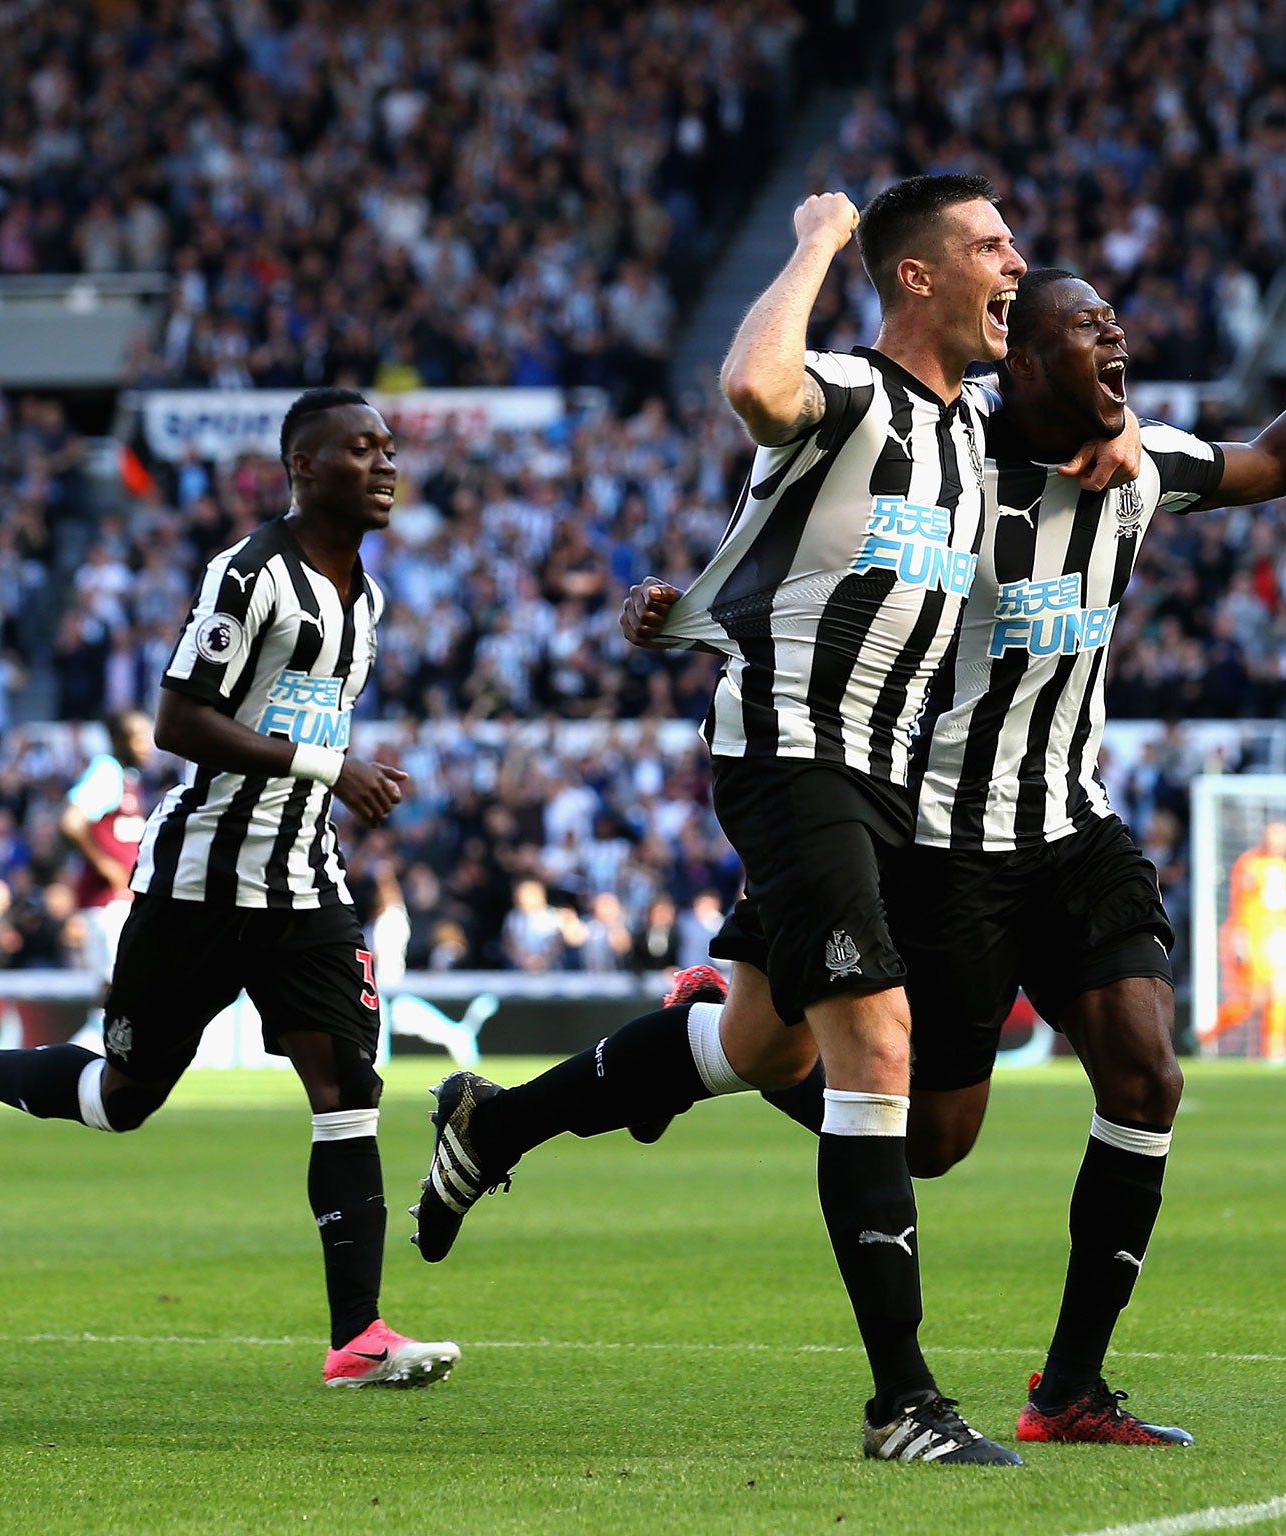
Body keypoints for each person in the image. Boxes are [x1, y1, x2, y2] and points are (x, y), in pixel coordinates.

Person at [415, 175, 1131, 1467]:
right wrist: (813, 241)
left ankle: (492, 1122)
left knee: (751, 1045)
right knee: (878, 1049)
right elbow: (756, 386)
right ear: (915, 276)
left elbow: (807, 546)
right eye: (988, 243)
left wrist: (1120, 438)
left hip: (885, 784)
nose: (1015, 261)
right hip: (792, 756)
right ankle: (902, 1405)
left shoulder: (974, 432)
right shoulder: (848, 394)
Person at [0, 388, 459, 1390]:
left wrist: (326, 777)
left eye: (387, 447)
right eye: (357, 449)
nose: (383, 465)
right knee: (122, 1100)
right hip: (197, 881)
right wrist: (330, 769)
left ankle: (356, 1337)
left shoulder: (364, 597)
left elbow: (294, 725)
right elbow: (180, 721)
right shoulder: (249, 575)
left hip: (303, 881)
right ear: (300, 469)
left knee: (347, 1093)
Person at [59, 708, 154, 1050]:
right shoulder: (107, 771)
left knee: (113, 985)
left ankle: (88, 1050)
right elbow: (72, 821)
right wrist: (107, 865)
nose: (147, 744)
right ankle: (83, 1051)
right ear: (119, 740)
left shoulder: (130, 778)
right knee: (121, 982)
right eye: (138, 736)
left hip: (119, 900)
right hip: (107, 901)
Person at [1212, 820, 1286, 1062]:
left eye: (1283, 838)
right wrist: (1241, 938)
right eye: (1274, 837)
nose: (1278, 843)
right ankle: (1207, 1034)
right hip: (1254, 937)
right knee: (1251, 1000)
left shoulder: (1284, 865)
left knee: (1283, 990)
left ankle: (1276, 1049)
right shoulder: (1250, 864)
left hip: (1277, 935)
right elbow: (1241, 905)